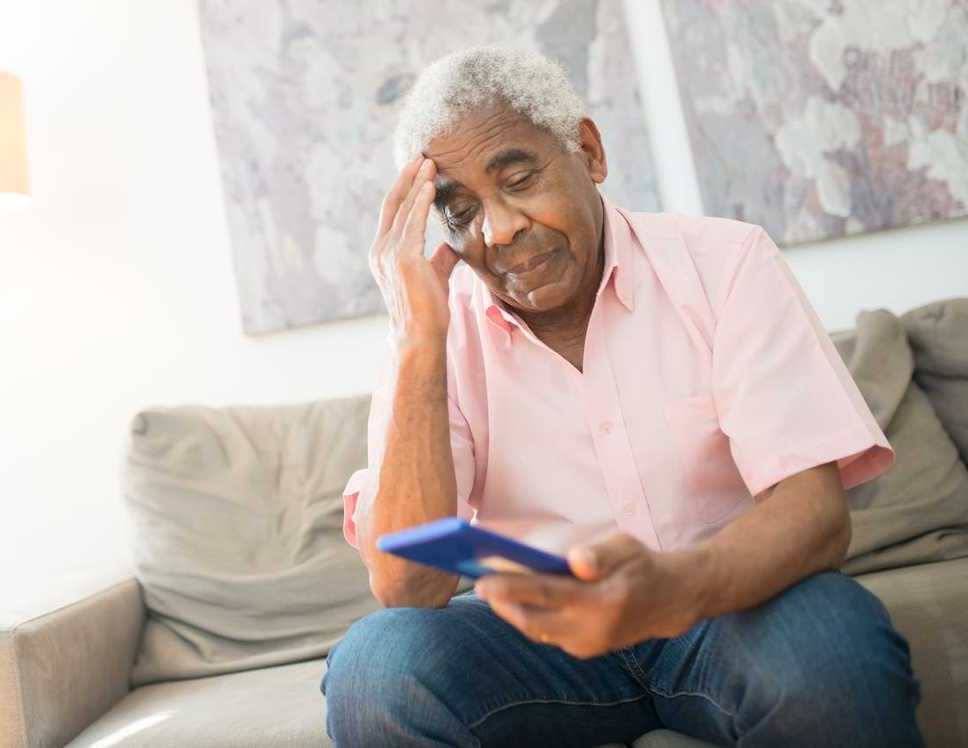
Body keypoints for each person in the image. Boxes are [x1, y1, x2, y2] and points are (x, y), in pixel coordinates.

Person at [320, 45, 923, 748]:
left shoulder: (725, 264)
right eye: (460, 212)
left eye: (518, 179)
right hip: (540, 645)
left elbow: (814, 513)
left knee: (834, 647)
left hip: (725, 609)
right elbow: (408, 586)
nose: (499, 228)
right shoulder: (431, 330)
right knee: (376, 668)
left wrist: (671, 587)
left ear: (588, 151)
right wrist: (419, 342)